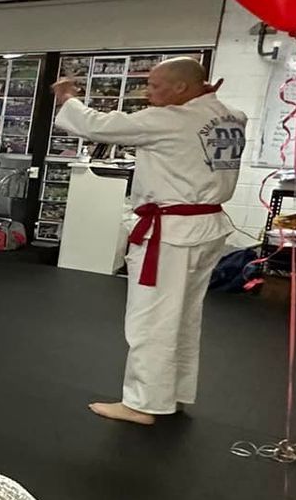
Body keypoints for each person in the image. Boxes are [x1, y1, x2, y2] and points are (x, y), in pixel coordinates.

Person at [50, 57, 245, 426]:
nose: (149, 94)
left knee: (152, 318)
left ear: (182, 88)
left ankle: (143, 403)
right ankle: (172, 393)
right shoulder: (232, 116)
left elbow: (98, 126)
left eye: (156, 86)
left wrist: (68, 98)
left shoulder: (170, 120)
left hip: (171, 232)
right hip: (207, 226)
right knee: (185, 317)